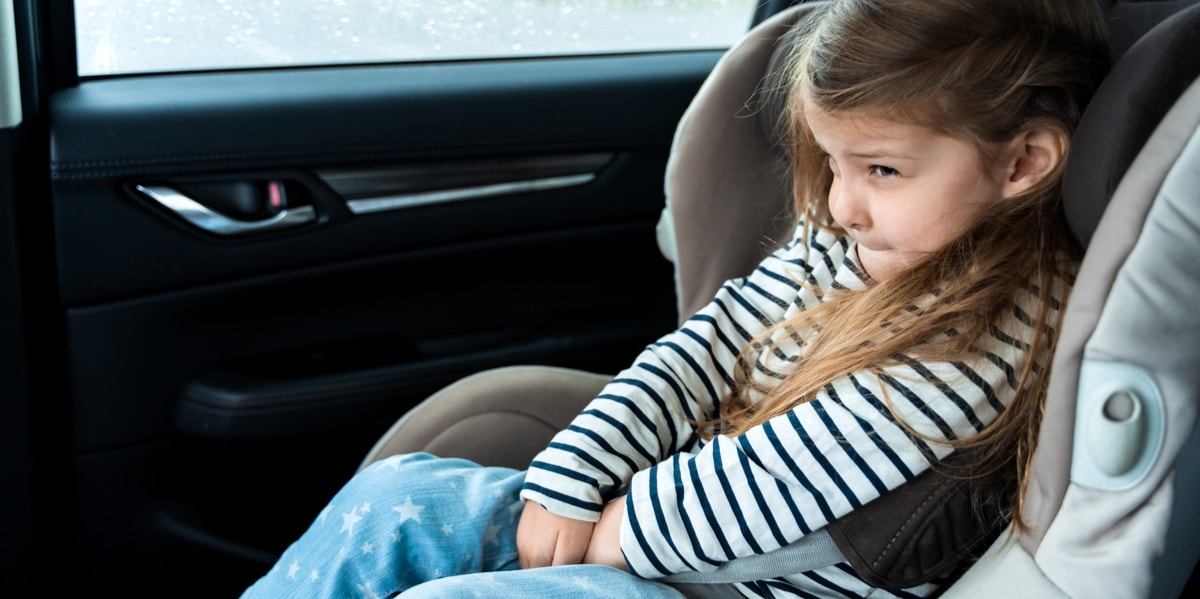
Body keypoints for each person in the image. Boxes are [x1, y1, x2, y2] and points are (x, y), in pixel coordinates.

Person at [240, 0, 1112, 597]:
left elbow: (779, 481)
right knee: (398, 496)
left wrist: (597, 532)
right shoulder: (864, 237)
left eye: (881, 169)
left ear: (1023, 162)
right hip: (674, 539)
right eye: (833, 164)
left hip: (748, 582)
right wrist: (576, 472)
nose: (842, 204)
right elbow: (710, 341)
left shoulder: (984, 343)